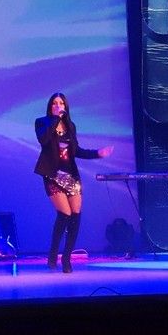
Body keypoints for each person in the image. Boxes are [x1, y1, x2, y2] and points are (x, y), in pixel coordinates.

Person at [34, 92, 114, 273]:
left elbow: (76, 151)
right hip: (52, 175)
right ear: (50, 106)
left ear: (66, 106)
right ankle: (53, 253)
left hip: (71, 175)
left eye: (61, 103)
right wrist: (56, 119)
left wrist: (97, 153)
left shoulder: (71, 126)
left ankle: (66, 258)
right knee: (65, 213)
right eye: (55, 103)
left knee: (75, 214)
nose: (58, 106)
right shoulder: (42, 122)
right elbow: (44, 140)